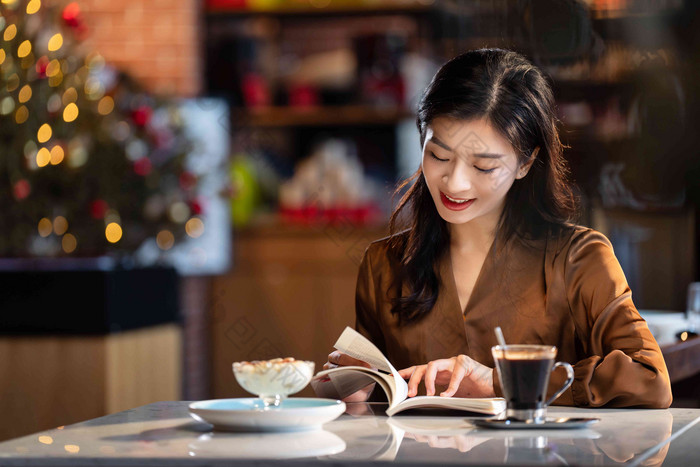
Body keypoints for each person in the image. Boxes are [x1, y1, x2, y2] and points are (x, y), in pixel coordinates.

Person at [324, 48, 672, 408]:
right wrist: (355, 389)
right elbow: (372, 403)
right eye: (439, 156)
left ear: (525, 162)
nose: (455, 183)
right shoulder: (384, 264)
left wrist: (500, 381)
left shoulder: (578, 259)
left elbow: (650, 379)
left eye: (484, 167)